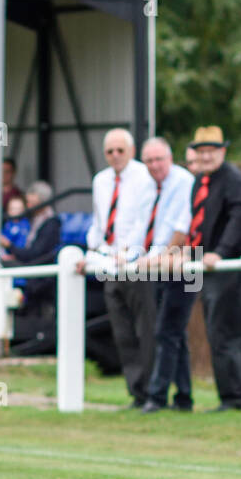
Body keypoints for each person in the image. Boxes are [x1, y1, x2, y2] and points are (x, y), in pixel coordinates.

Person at [79, 128, 157, 408]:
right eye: (109, 152)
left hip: (136, 263)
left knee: (144, 329)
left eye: (120, 150)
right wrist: (92, 251)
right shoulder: (101, 180)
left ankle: (152, 392)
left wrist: (129, 252)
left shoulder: (143, 176)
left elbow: (143, 220)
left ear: (131, 151)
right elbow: (100, 221)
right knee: (122, 331)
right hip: (108, 263)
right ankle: (136, 393)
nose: (114, 156)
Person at [187, 126, 241, 411]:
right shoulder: (201, 181)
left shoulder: (233, 179)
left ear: (222, 152)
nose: (205, 156)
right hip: (204, 264)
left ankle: (239, 397)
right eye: (201, 152)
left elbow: (240, 218)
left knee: (228, 333)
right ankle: (229, 396)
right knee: (216, 332)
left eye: (210, 151)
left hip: (226, 265)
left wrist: (221, 252)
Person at [138, 137, 195, 413]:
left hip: (182, 265)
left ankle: (157, 396)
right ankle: (184, 398)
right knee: (175, 333)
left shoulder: (183, 181)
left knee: (166, 331)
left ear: (170, 158)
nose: (154, 165)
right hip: (158, 265)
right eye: (148, 160)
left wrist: (161, 257)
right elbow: (144, 225)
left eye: (158, 159)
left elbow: (181, 229)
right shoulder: (148, 187)